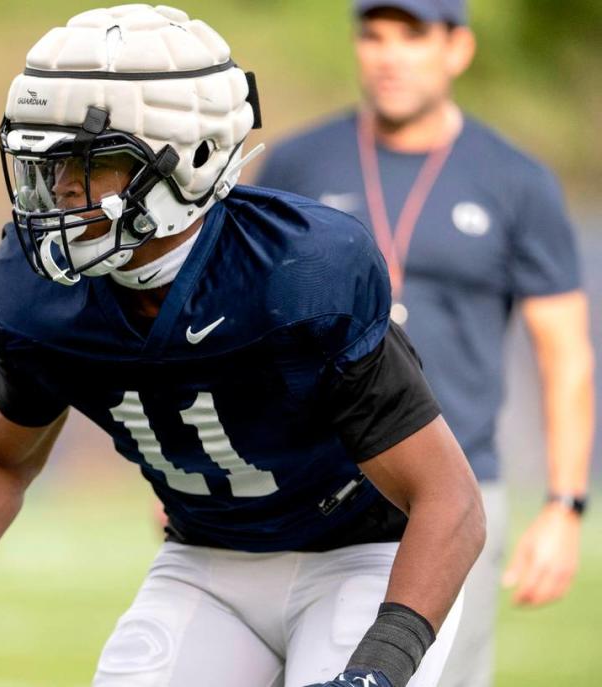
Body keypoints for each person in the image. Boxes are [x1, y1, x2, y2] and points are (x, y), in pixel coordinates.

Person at [0, 6, 485, 687]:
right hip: (207, 562)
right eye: (48, 160)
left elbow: (451, 502)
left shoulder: (298, 274)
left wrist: (380, 666)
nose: (58, 188)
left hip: (365, 555)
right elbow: (0, 456)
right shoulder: (34, 294)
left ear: (193, 158)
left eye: (88, 161)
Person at [254, 2, 595, 687]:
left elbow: (566, 352)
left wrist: (564, 504)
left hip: (456, 485)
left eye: (412, 36)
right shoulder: (296, 162)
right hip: (309, 484)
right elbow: (247, 321)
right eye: (374, 36)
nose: (389, 55)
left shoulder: (516, 180)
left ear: (457, 49)